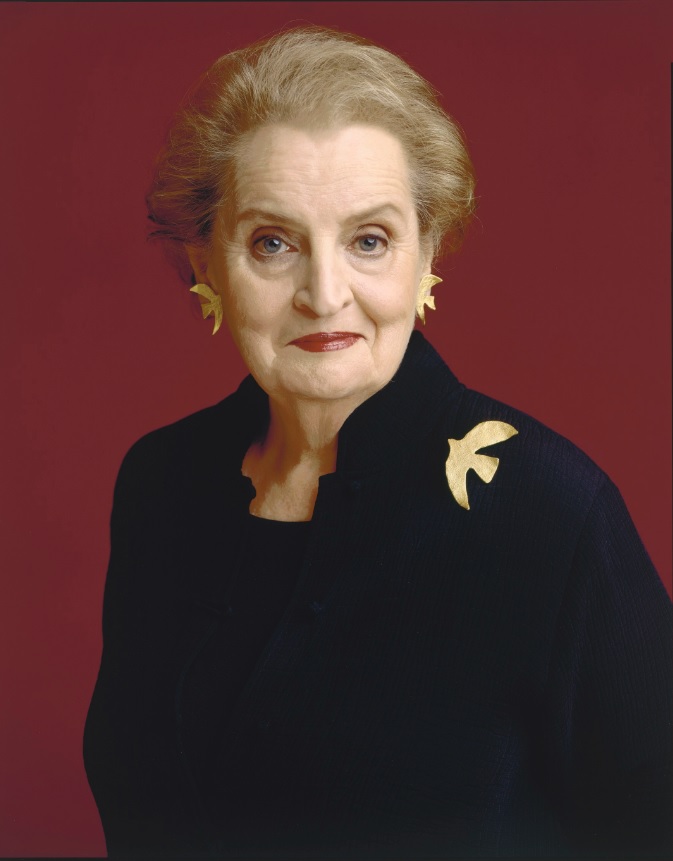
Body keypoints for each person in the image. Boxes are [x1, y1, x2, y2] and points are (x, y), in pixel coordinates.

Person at [83, 26, 673, 860]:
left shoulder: (549, 513)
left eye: (368, 240)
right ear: (203, 262)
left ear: (425, 253)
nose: (325, 294)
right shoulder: (160, 483)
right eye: (273, 243)